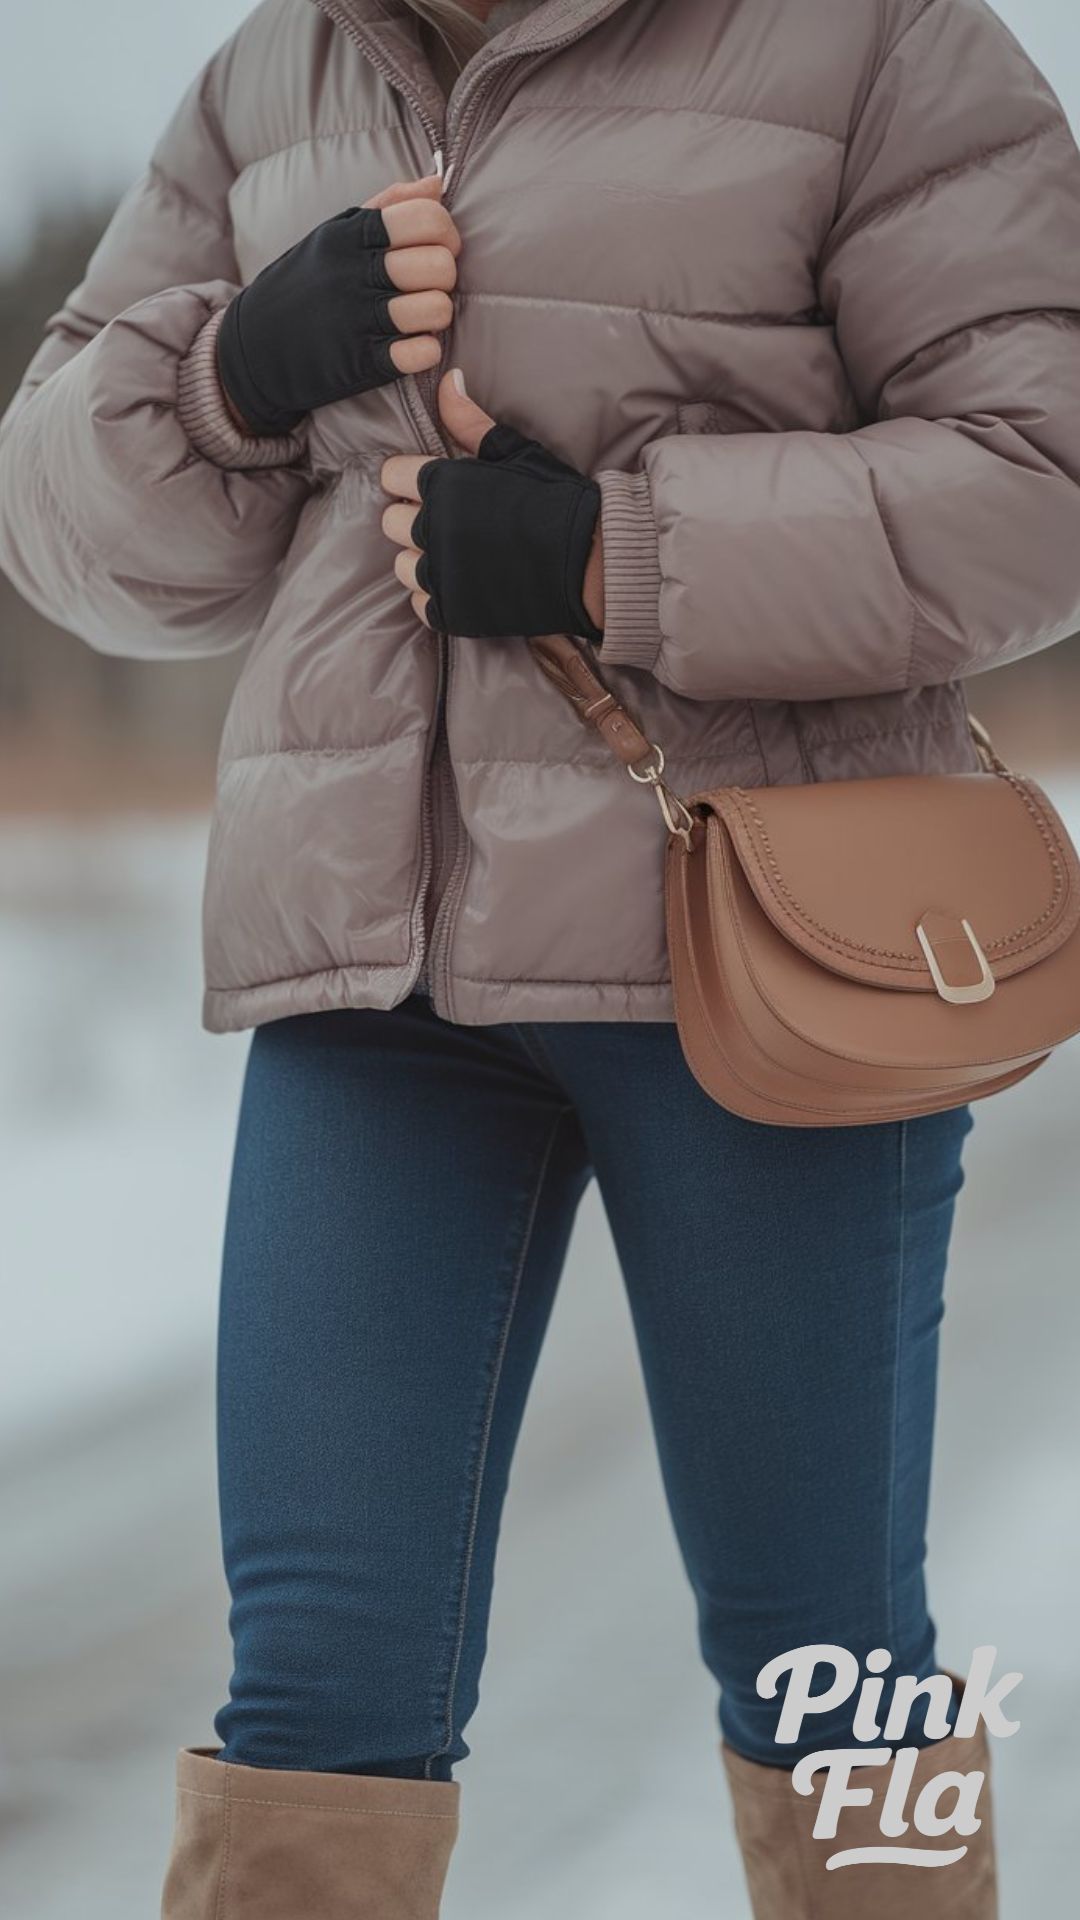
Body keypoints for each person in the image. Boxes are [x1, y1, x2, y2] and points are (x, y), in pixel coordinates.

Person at [3, 0, 1079, 1914]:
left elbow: (1040, 480)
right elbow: (67, 535)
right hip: (372, 978)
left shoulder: (882, 43)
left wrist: (618, 557)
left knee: (828, 1671)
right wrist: (233, 377)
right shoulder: (280, 72)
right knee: (317, 1693)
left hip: (769, 963)